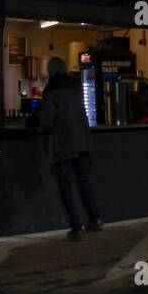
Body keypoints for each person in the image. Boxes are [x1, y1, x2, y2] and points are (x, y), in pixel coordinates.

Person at [39, 56, 103, 240]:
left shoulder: (51, 89)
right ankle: (95, 219)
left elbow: (47, 121)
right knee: (84, 182)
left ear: (50, 70)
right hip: (82, 141)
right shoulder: (76, 85)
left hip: (63, 144)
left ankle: (76, 228)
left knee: (66, 186)